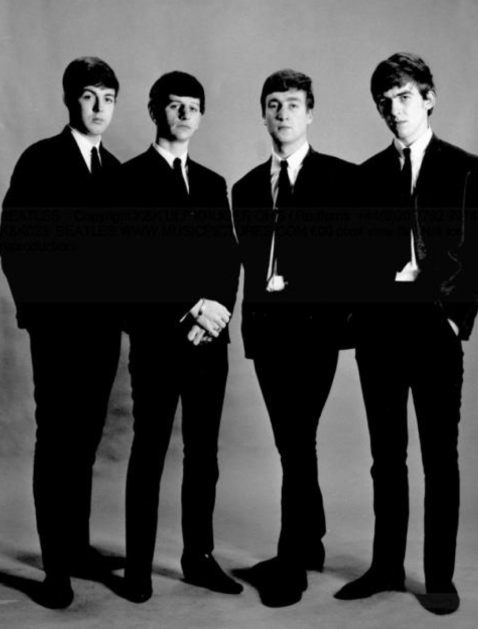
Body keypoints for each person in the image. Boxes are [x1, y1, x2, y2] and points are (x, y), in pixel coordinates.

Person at [334, 52, 478, 616]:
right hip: (380, 334)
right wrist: (359, 319)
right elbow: (350, 258)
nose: (393, 109)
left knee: (440, 459)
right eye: (384, 101)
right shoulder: (366, 176)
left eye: (403, 97)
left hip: (434, 331)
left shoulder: (463, 166)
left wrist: (455, 316)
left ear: (428, 98)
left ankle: (439, 577)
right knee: (386, 458)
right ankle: (385, 568)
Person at [232, 69, 358, 606]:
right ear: (263, 114)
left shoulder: (341, 179)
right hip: (267, 333)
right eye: (273, 104)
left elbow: (359, 258)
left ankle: (292, 560)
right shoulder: (243, 189)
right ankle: (310, 541)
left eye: (293, 104)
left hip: (315, 333)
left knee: (296, 436)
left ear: (310, 114)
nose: (282, 113)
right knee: (293, 442)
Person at [0, 57, 122, 608]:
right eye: (90, 97)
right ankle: (54, 570)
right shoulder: (41, 160)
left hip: (102, 332)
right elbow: (15, 242)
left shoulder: (115, 168)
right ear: (71, 100)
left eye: (109, 98)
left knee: (87, 441)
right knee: (57, 443)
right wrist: (37, 313)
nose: (100, 108)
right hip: (56, 329)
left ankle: (76, 546)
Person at [119, 71, 241, 603]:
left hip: (209, 345)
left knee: (204, 455)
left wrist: (217, 311)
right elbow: (130, 266)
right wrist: (190, 307)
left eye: (194, 106)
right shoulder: (129, 180)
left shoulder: (214, 183)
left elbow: (228, 257)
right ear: (155, 111)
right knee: (148, 453)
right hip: (157, 342)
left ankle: (199, 558)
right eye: (175, 106)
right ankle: (139, 568)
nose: (185, 115)